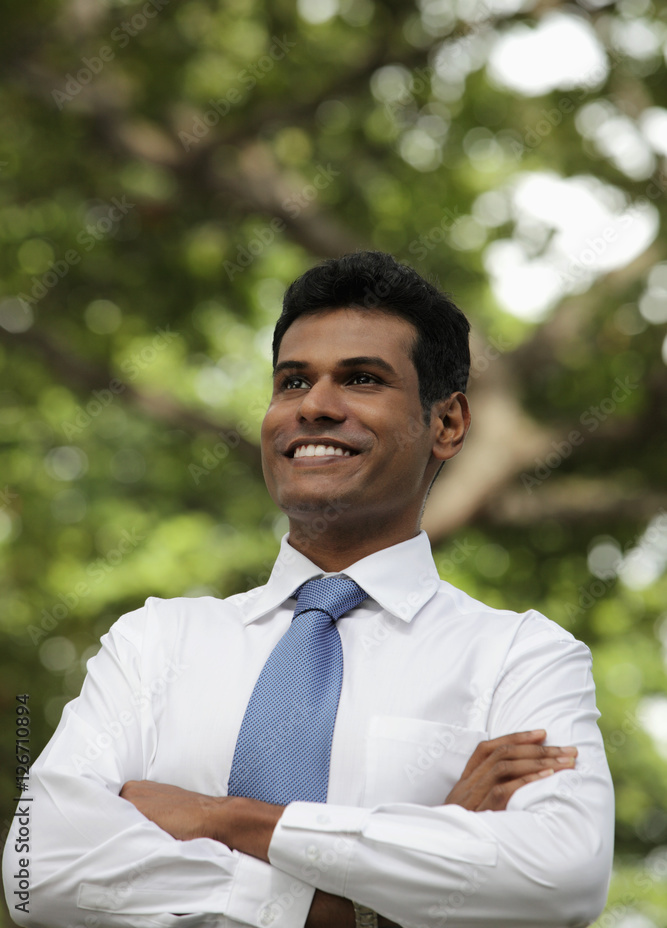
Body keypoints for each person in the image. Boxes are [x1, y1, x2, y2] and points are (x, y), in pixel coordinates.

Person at [3, 253, 614, 928]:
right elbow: (38, 871)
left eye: (360, 379)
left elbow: (558, 875)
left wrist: (225, 818)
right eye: (292, 382)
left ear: (446, 423)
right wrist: (362, 896)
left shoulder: (519, 656)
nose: (315, 406)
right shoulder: (153, 642)